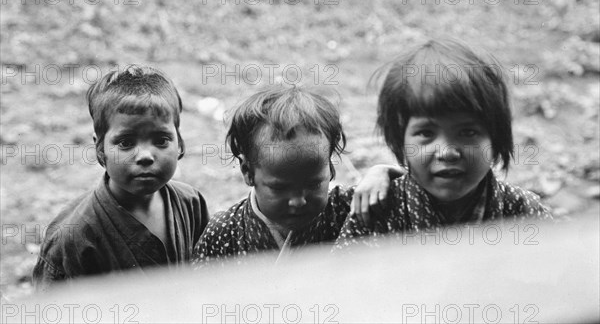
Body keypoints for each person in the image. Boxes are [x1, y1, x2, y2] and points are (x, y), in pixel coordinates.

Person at [336, 39, 552, 248]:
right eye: (426, 133)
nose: (447, 152)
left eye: (468, 132)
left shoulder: (523, 212)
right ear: (400, 141)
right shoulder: (375, 213)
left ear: (496, 138)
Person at [33, 65, 209, 290]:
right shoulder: (72, 237)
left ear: (180, 143)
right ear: (100, 148)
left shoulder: (191, 204)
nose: (145, 155)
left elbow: (207, 281)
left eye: (161, 140)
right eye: (126, 142)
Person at [192, 86, 395, 265]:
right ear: (248, 172)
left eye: (314, 184)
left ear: (329, 168)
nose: (298, 201)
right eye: (279, 188)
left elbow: (413, 193)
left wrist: (383, 173)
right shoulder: (223, 233)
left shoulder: (350, 207)